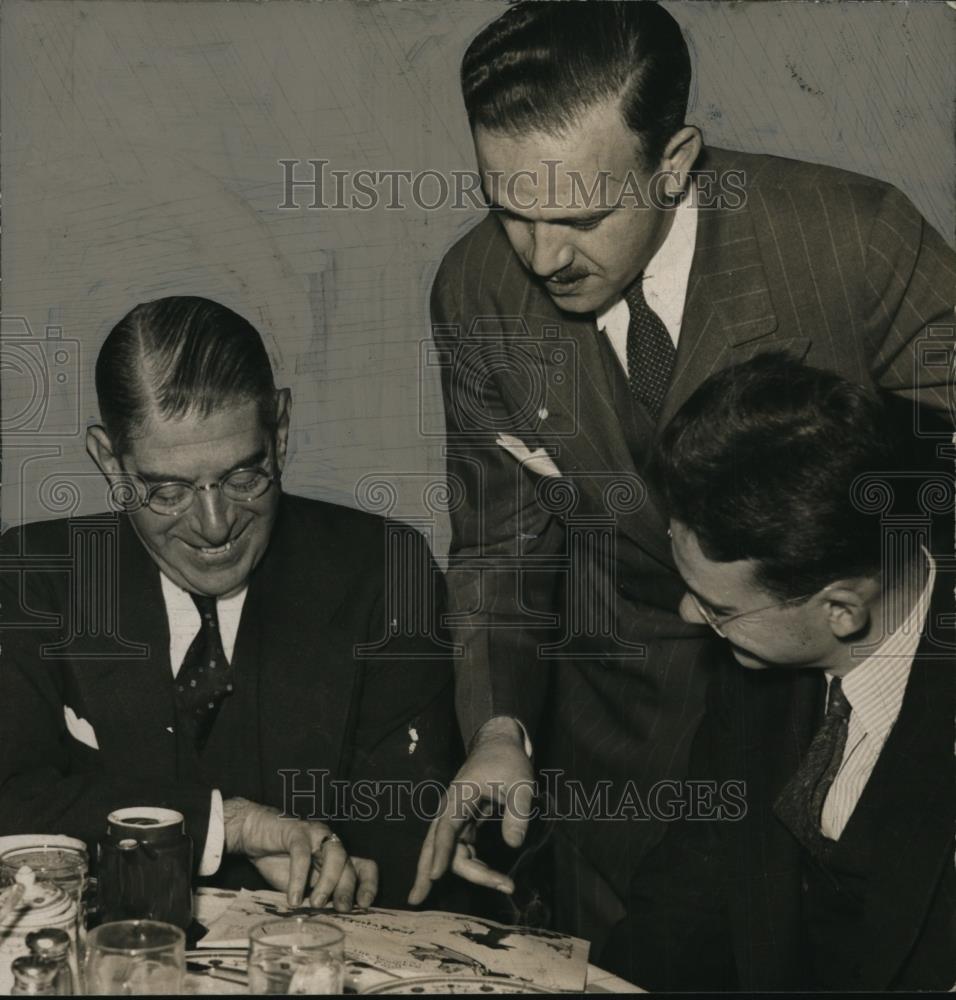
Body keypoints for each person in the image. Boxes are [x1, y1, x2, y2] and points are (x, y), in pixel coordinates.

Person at [410, 0, 956, 947]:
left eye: (581, 214)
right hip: (622, 761)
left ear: (674, 163)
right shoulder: (476, 292)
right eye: (510, 210)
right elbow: (497, 541)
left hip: (851, 732)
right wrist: (499, 727)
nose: (542, 257)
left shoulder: (852, 242)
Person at [0, 295, 460, 910]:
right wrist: (230, 825)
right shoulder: (37, 577)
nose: (215, 527)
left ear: (282, 432)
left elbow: (406, 843)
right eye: (168, 491)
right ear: (110, 463)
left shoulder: (384, 571)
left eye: (245, 478)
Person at [601, 353, 954, 991]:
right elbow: (690, 893)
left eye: (718, 606)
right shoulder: (758, 664)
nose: (687, 612)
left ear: (841, 610)